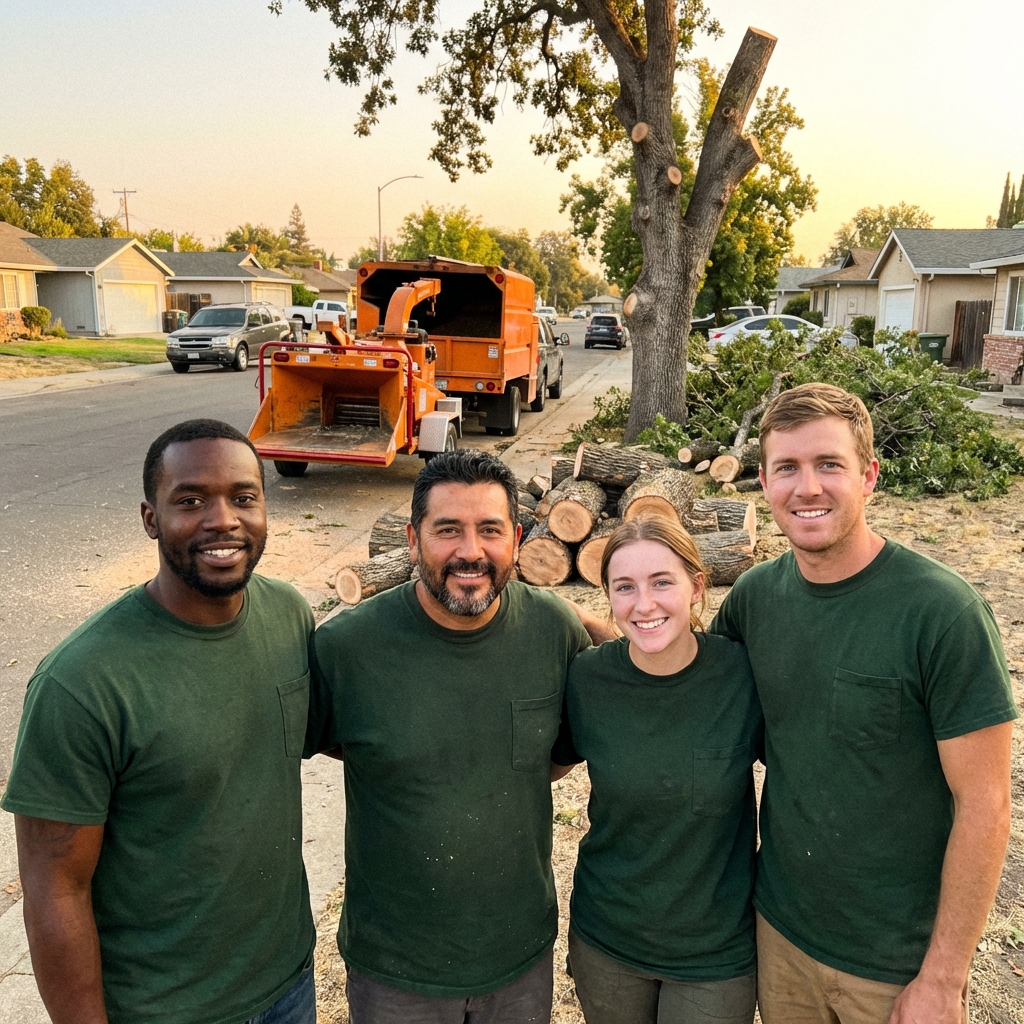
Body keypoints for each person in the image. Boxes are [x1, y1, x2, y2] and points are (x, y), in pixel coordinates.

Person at [711, 382, 1017, 1024]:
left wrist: (944, 976)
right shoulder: (753, 601)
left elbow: (986, 805)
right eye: (787, 468)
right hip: (782, 936)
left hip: (896, 964)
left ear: (869, 475)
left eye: (830, 465)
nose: (808, 488)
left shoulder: (941, 612)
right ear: (763, 481)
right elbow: (687, 691)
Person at [2, 420, 317, 1024]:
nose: (222, 519)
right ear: (151, 519)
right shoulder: (82, 683)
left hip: (287, 984)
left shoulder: (288, 617)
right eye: (191, 500)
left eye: (243, 497)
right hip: (162, 1009)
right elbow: (53, 891)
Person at [304, 448, 612, 1024]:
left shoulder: (553, 630)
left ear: (516, 539)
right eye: (448, 530)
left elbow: (558, 753)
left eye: (490, 530)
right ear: (412, 539)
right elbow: (323, 736)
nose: (470, 551)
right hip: (395, 969)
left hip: (519, 959)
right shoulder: (348, 648)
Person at [558, 515, 762, 1024]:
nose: (643, 604)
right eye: (624, 587)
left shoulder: (742, 675)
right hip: (607, 939)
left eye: (662, 582)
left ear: (697, 588)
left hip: (714, 951)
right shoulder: (587, 679)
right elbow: (543, 767)